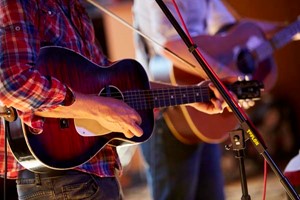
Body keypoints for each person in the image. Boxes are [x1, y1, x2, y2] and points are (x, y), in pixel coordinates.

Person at [0, 0, 230, 199]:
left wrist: (189, 95)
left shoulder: (74, 7)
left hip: (95, 172)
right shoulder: (18, 3)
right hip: (57, 177)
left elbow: (109, 83)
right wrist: (99, 109)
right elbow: (12, 84)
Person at [132, 0, 281, 199]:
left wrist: (287, 28)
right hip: (167, 114)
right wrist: (223, 76)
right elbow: (170, 46)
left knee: (213, 195)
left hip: (203, 106)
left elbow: (233, 31)